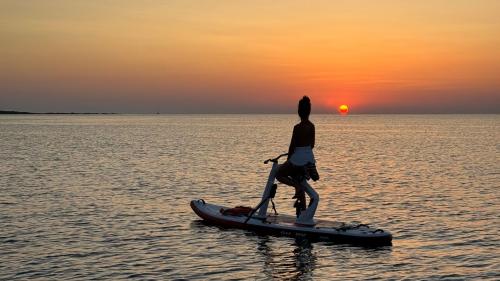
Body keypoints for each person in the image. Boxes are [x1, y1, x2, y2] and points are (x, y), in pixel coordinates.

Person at [276, 96, 316, 216]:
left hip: (297, 160)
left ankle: (297, 187)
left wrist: (289, 160)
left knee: (278, 173)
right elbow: (312, 145)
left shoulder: (297, 128)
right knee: (298, 177)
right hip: (308, 160)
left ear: (299, 112)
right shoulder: (312, 126)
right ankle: (303, 213)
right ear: (309, 111)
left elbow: (292, 146)